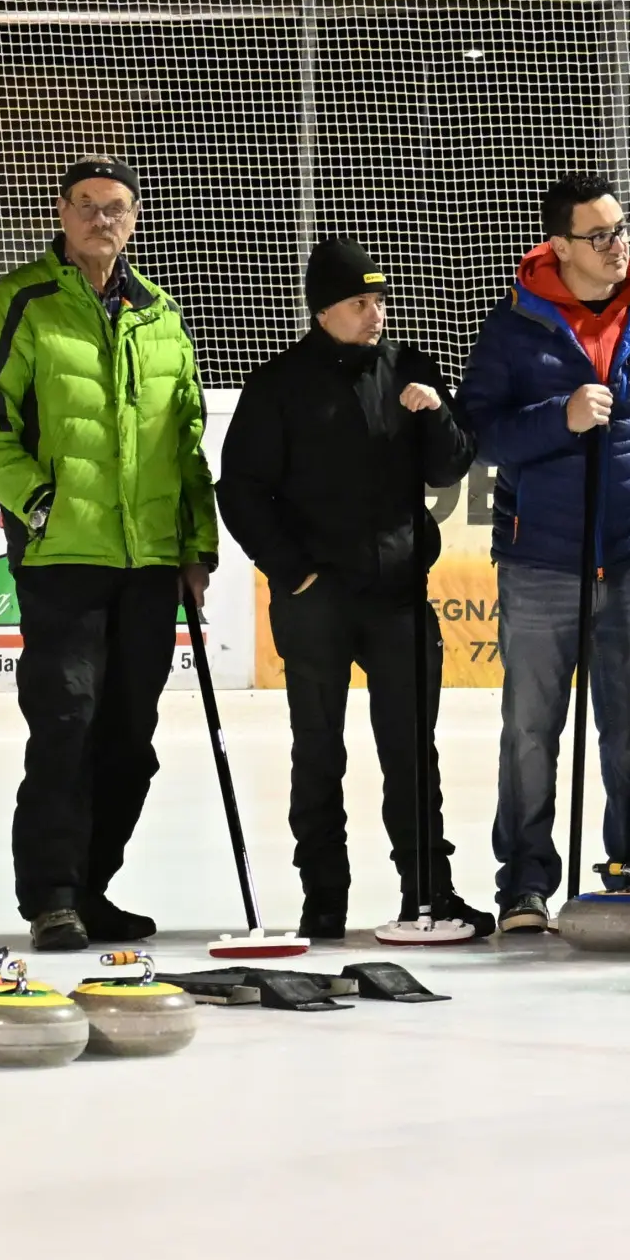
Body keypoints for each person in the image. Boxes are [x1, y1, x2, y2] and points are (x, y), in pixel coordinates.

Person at [0, 156, 218, 954]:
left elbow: (187, 440)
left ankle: (95, 885)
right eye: (88, 207)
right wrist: (38, 502)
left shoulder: (162, 314)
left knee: (130, 739)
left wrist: (196, 546)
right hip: (63, 558)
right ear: (62, 214)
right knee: (66, 723)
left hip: (149, 564)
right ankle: (53, 895)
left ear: (134, 219)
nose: (103, 220)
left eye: (117, 208)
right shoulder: (21, 302)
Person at [456, 172, 630, 932]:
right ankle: (526, 883)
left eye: (621, 230)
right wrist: (560, 418)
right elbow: (482, 438)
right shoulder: (515, 328)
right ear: (559, 246)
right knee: (531, 732)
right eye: (598, 235)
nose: (616, 246)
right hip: (540, 561)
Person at [219, 239, 489, 942]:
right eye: (359, 303)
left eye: (380, 301)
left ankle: (427, 894)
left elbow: (452, 467)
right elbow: (243, 490)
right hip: (316, 601)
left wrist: (435, 413)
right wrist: (291, 571)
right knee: (318, 751)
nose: (376, 314)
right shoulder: (278, 384)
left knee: (411, 750)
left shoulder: (409, 367)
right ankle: (324, 899)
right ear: (322, 312)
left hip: (399, 594)